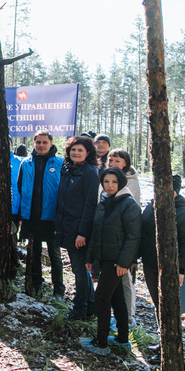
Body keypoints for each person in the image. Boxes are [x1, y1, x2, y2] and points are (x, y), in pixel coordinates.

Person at [79, 167, 141, 356]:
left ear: (121, 182)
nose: (110, 185)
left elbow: (133, 237)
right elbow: (96, 232)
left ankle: (101, 343)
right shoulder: (104, 201)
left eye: (114, 182)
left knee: (102, 298)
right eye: (106, 182)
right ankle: (122, 339)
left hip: (116, 262)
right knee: (117, 298)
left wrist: (124, 262)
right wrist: (90, 257)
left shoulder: (129, 204)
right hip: (104, 259)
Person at [139, 174, 185, 361]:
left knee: (171, 308)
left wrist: (181, 270)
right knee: (159, 306)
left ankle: (172, 348)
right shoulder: (151, 207)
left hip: (172, 269)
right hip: (150, 264)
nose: (161, 192)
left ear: (175, 191)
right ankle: (162, 343)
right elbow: (142, 232)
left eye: (167, 188)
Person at [54, 136, 100, 321]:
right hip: (67, 225)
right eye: (73, 150)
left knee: (80, 271)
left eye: (80, 150)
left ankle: (79, 309)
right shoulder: (66, 169)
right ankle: (90, 306)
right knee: (80, 270)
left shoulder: (90, 172)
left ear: (88, 153)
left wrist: (82, 233)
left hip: (80, 229)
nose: (76, 153)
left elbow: (90, 204)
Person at [17, 130, 65, 300]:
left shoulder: (60, 163)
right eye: (38, 142)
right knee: (34, 253)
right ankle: (35, 286)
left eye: (45, 142)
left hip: (51, 217)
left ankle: (58, 290)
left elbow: (64, 191)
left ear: (51, 144)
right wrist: (22, 214)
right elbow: (20, 187)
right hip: (32, 216)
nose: (41, 145)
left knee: (55, 255)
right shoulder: (26, 164)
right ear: (34, 143)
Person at [106, 148, 141, 331]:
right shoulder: (107, 177)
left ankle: (128, 318)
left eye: (117, 160)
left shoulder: (131, 182)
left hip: (123, 237)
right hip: (109, 237)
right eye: (110, 160)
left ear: (125, 163)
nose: (113, 163)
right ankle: (118, 316)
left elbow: (131, 212)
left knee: (125, 278)